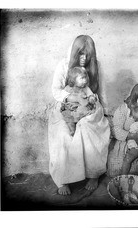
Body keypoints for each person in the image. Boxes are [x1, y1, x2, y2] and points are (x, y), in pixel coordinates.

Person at [48, 35, 110, 195]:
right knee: (64, 130)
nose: (84, 58)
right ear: (75, 53)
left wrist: (105, 112)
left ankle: (93, 174)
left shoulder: (97, 65)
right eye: (81, 54)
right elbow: (56, 90)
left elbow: (101, 92)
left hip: (89, 105)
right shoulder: (63, 65)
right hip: (68, 103)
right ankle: (64, 179)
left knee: (87, 126)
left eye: (88, 55)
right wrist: (71, 98)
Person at [61, 67, 98, 136]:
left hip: (82, 109)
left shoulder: (86, 88)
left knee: (86, 117)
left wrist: (91, 99)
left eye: (85, 78)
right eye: (82, 78)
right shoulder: (68, 88)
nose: (85, 80)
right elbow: (64, 98)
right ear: (73, 80)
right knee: (69, 119)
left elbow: (91, 95)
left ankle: (82, 127)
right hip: (71, 109)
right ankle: (72, 129)